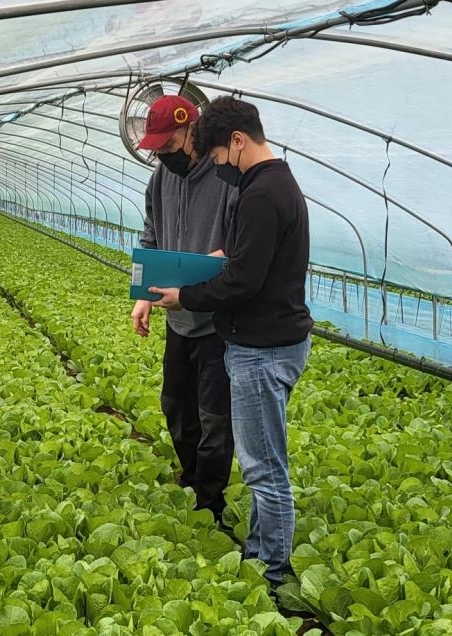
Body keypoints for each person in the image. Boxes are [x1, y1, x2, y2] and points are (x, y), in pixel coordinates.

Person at [150, 96, 313, 588]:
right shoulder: (271, 183)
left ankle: (275, 571)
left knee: (265, 469)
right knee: (262, 461)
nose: (218, 164)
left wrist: (188, 294)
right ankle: (262, 554)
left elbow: (242, 280)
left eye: (219, 154)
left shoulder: (262, 193)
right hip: (262, 342)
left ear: (237, 141)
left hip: (262, 348)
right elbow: (246, 261)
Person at [130, 94, 236, 526]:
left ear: (192, 129)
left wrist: (214, 262)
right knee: (175, 405)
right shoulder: (160, 180)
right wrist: (143, 294)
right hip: (178, 318)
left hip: (218, 321)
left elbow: (243, 243)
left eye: (169, 146)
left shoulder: (229, 178)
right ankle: (192, 478)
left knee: (215, 419)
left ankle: (210, 502)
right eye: (157, 150)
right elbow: (152, 234)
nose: (164, 156)